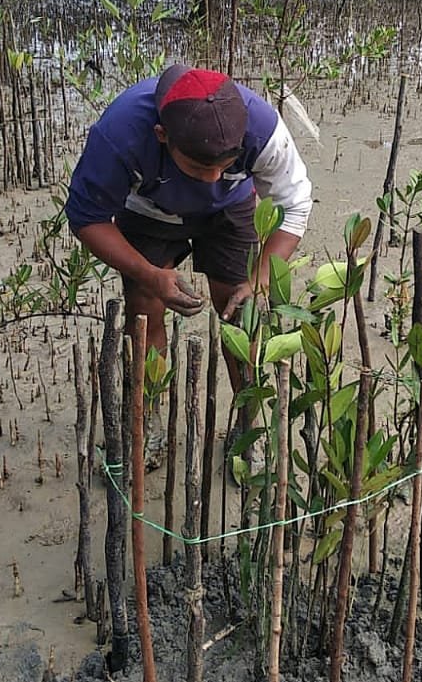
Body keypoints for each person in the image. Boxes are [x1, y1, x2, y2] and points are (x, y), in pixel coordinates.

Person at [65, 62, 313, 463]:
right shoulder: (120, 133)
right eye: (199, 167)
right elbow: (85, 217)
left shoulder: (261, 129)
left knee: (240, 310)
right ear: (162, 136)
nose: (213, 178)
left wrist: (260, 280)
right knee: (145, 308)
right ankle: (148, 423)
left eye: (225, 165)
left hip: (232, 210)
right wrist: (150, 274)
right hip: (149, 211)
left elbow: (296, 205)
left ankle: (247, 427)